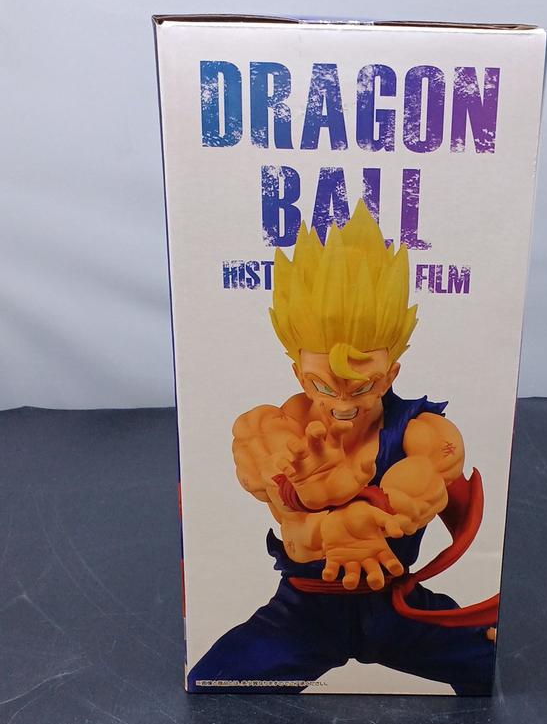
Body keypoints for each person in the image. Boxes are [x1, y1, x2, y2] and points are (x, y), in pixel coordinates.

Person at [188, 200, 497, 694]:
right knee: (212, 685)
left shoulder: (425, 433)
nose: (343, 404)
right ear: (299, 374)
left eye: (363, 385)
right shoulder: (275, 429)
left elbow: (421, 488)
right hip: (305, 611)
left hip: (399, 608)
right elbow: (286, 518)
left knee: (501, 670)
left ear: (390, 374)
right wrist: (316, 511)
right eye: (323, 386)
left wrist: (382, 510)